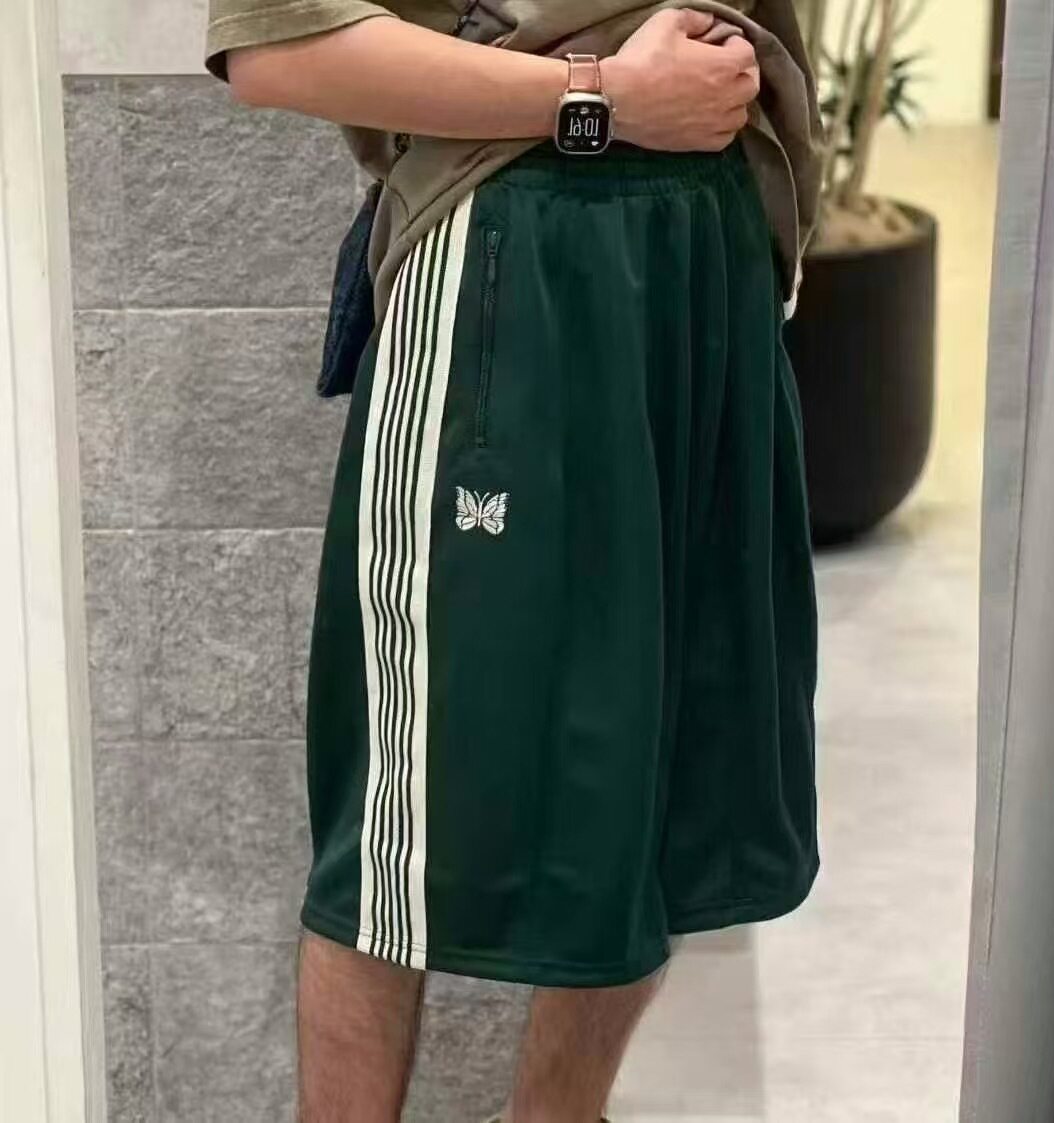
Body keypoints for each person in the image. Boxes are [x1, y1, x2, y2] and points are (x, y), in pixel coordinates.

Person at [205, 2, 821, 1119]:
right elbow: (275, 47)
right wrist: (600, 99)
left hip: (707, 248)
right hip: (510, 246)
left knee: (651, 787)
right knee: (399, 826)